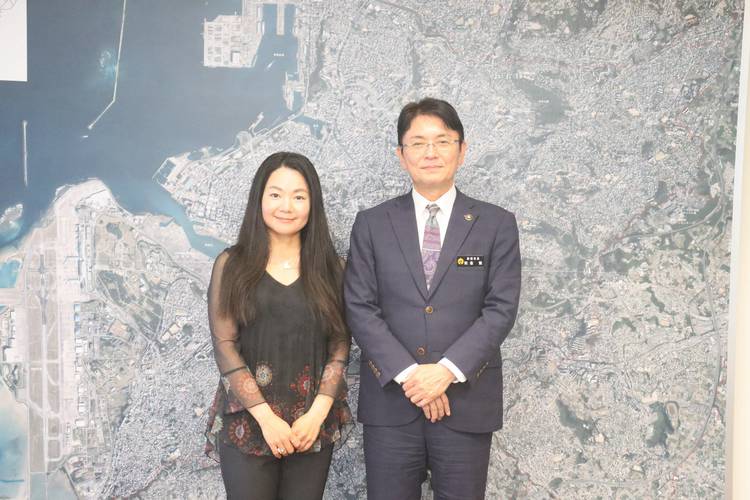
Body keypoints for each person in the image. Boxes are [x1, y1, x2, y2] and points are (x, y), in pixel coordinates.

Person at [344, 98, 522, 500]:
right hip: (392, 405)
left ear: (462, 150)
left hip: (465, 402)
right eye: (418, 143)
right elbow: (359, 307)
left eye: (442, 141)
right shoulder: (372, 224)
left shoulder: (496, 224)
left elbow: (501, 308)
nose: (431, 152)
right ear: (401, 154)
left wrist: (445, 372)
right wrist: (412, 376)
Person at [204, 152, 353, 500]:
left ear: (313, 204)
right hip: (248, 422)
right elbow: (225, 345)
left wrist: (317, 414)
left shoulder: (333, 269)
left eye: (299, 196)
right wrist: (267, 420)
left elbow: (340, 343)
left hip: (310, 425)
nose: (286, 206)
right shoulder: (232, 264)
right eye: (276, 194)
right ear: (259, 199)